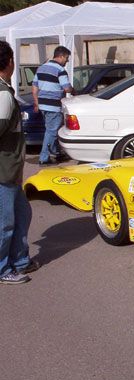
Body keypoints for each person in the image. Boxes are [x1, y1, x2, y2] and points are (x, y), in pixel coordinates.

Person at [0, 41, 39, 285]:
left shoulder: (4, 90)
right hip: (4, 168)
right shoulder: (3, 94)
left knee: (22, 214)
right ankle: (4, 268)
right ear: (10, 62)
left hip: (10, 168)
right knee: (5, 223)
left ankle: (20, 260)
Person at [32, 45, 75, 165]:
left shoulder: (41, 68)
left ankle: (57, 153)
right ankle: (44, 157)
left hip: (42, 105)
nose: (67, 61)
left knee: (52, 129)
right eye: (66, 58)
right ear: (60, 56)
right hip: (53, 105)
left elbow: (34, 88)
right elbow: (66, 88)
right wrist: (73, 89)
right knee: (52, 131)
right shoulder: (60, 70)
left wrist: (36, 102)